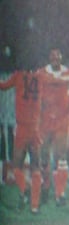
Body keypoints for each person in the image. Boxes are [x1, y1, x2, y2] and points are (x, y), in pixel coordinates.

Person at [38, 49, 69, 206]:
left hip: (63, 120)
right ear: (49, 58)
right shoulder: (43, 73)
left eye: (58, 56)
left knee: (61, 156)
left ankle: (60, 194)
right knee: (44, 156)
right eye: (53, 56)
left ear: (62, 58)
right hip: (45, 120)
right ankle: (45, 186)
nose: (55, 59)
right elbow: (49, 80)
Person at [0, 70, 43, 214]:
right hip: (36, 127)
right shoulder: (41, 76)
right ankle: (34, 206)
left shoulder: (18, 75)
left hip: (23, 128)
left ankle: (24, 192)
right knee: (36, 166)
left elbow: (3, 86)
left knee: (16, 164)